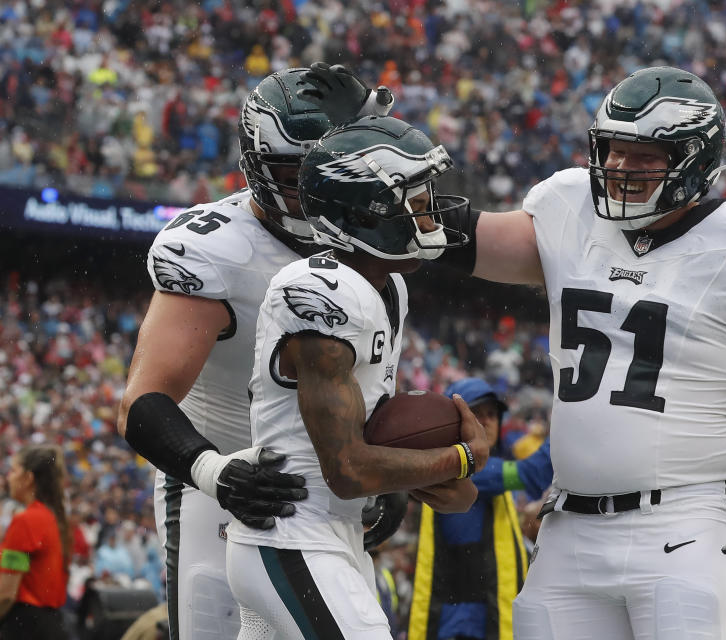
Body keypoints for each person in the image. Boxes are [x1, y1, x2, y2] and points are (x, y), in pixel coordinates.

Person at [433, 65, 726, 639]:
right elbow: (458, 236)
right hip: (568, 531)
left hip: (682, 528)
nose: (619, 168)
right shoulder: (569, 210)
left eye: (644, 156)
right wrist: (386, 196)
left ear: (693, 159)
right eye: (613, 150)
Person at [117, 63, 395, 640]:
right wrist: (214, 470)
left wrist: (387, 482)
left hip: (324, 496)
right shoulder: (214, 249)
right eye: (292, 171)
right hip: (215, 482)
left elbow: (372, 392)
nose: (306, 187)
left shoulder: (380, 248)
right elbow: (141, 403)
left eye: (323, 169)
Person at [224, 115, 488, 640]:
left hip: (335, 533)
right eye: (415, 199)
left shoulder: (386, 287)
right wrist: (461, 458)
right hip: (293, 535)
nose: (431, 210)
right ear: (370, 211)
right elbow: (346, 467)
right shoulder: (319, 289)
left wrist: (437, 482)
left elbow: (371, 449)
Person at [408, 378, 554, 640]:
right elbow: (536, 472)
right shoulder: (467, 472)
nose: (486, 420)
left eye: (491, 414)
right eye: (475, 413)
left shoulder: (483, 474)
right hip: (463, 628)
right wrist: (571, 418)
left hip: (479, 622)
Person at [0, 445, 71, 640]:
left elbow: (6, 593)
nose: (9, 477)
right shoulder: (52, 518)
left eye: (14, 471)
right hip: (50, 625)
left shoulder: (26, 521)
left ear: (28, 478)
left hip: (24, 627)